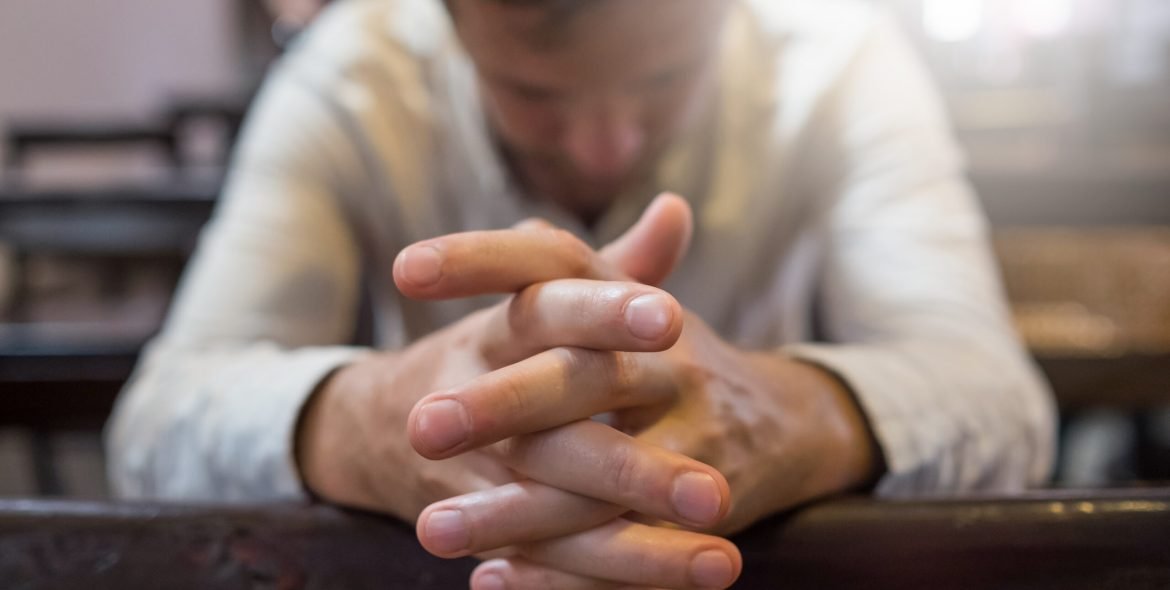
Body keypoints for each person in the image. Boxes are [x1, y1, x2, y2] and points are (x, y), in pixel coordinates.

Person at [106, 0, 1056, 588]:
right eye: (532, 92)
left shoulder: (842, 56)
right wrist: (376, 423)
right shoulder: (353, 75)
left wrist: (795, 415)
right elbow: (154, 423)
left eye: (666, 77)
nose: (607, 147)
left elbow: (995, 392)